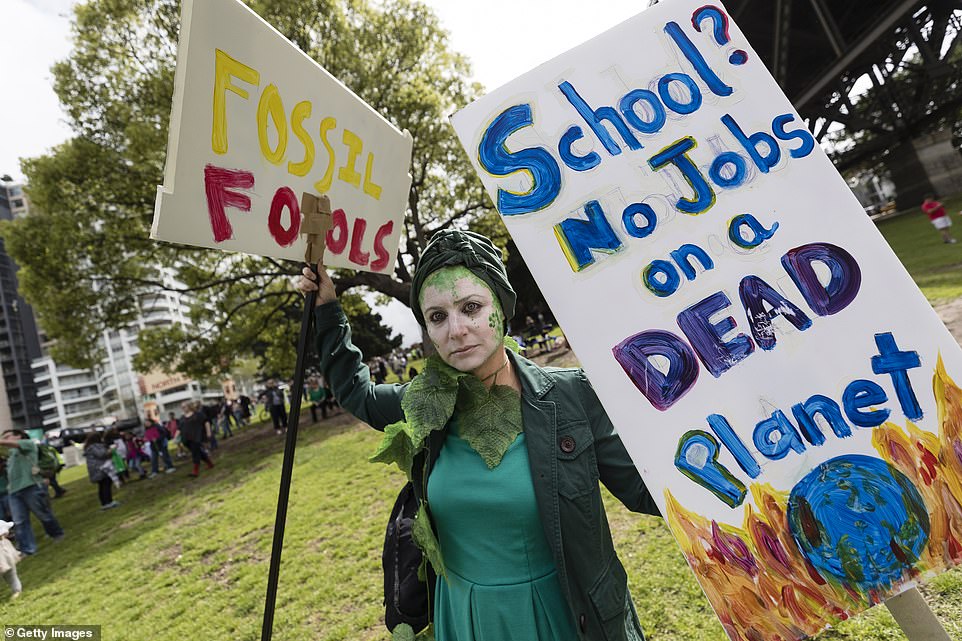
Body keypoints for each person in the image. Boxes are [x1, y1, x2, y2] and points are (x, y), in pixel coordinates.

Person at [298, 229, 659, 641]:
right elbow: (356, 392)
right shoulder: (423, 403)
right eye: (437, 317)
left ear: (502, 309)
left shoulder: (572, 396)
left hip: (566, 615)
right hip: (466, 619)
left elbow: (647, 490)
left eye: (471, 307)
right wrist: (327, 309)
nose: (456, 329)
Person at [0, 431, 65, 554]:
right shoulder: (11, 453)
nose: (5, 439)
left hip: (31, 486)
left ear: (19, 436)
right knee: (19, 521)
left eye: (8, 436)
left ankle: (57, 533)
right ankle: (27, 549)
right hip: (14, 491)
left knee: (43, 514)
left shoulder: (28, 444)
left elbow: (4, 443)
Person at [83, 432, 120, 510]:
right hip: (101, 468)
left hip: (97, 469)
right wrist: (111, 450)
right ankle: (108, 502)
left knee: (102, 485)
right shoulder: (94, 447)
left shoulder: (90, 447)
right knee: (105, 484)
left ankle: (105, 502)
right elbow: (102, 455)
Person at [179, 400, 214, 478]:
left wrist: (208, 432)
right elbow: (179, 428)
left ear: (189, 406)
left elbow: (206, 422)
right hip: (186, 439)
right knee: (198, 452)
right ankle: (209, 463)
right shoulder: (182, 417)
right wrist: (176, 437)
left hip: (196, 437)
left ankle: (195, 470)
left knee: (195, 453)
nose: (183, 408)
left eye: (184, 406)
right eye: (182, 407)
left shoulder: (198, 414)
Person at [0, 520, 22, 599]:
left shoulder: (5, 541)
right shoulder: (5, 541)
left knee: (11, 575)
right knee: (11, 576)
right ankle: (17, 590)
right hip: (6, 558)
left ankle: (17, 590)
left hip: (5, 558)